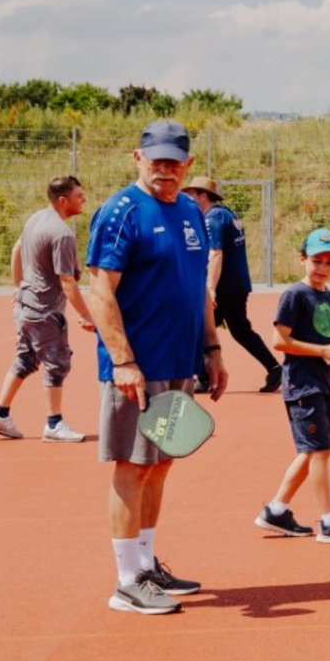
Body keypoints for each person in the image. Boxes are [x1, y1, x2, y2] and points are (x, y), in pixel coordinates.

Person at [86, 120, 227, 615]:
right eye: (156, 160)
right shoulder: (121, 212)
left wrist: (212, 349)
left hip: (181, 361)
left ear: (187, 165)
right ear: (137, 159)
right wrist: (123, 361)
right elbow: (101, 290)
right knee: (133, 465)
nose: (165, 169)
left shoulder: (191, 210)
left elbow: (198, 292)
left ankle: (146, 563)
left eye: (174, 161)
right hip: (138, 368)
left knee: (161, 463)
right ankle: (126, 580)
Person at [254, 228, 330, 543]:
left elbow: (324, 339)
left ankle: (276, 511)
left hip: (323, 380)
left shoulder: (328, 295)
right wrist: (322, 351)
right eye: (316, 260)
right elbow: (279, 341)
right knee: (319, 451)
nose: (322, 267)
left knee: (313, 451)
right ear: (302, 258)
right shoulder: (295, 294)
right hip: (303, 385)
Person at [0, 175, 97, 443]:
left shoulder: (36, 218)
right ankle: (54, 424)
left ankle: (0, 413)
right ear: (63, 200)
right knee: (56, 364)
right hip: (45, 311)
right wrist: (86, 315)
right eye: (79, 195)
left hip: (25, 306)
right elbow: (67, 280)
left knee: (25, 360)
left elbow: (16, 249)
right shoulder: (62, 234)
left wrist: (18, 286)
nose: (84, 199)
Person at [183, 176, 282, 394]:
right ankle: (275, 368)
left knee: (200, 329)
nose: (188, 199)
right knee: (241, 330)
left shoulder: (212, 219)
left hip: (223, 288)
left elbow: (216, 253)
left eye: (191, 194)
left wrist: (210, 288)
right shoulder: (228, 214)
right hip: (238, 285)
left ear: (203, 195)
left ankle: (205, 378)